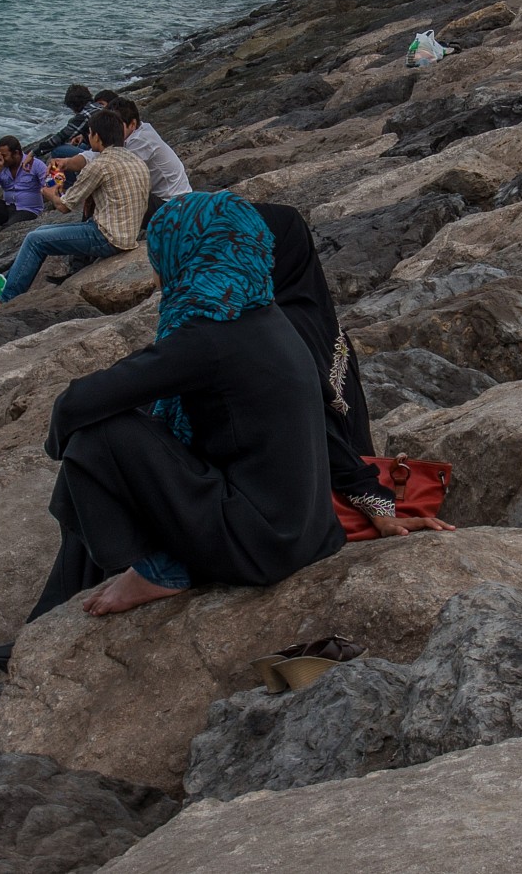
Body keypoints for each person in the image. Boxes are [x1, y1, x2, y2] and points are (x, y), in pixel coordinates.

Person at [20, 192, 347, 622]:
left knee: (98, 438)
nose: (155, 269)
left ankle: (162, 570)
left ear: (188, 252)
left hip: (260, 545)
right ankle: (55, 606)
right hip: (301, 533)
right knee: (122, 435)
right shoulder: (261, 315)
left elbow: (75, 405)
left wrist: (59, 446)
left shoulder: (209, 336)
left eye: (158, 254)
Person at [254, 202, 452, 537]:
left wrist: (371, 498)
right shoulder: (319, 315)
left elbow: (313, 421)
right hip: (341, 475)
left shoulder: (274, 329)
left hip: (300, 498)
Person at [0, 109, 151, 302]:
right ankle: (6, 281)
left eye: (90, 133)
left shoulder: (100, 164)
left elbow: (64, 206)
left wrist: (49, 192)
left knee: (34, 239)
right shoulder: (135, 160)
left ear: (96, 136)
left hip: (108, 237)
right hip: (128, 233)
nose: (88, 137)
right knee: (44, 229)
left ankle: (6, 299)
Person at [105, 96, 192, 202]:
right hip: (164, 197)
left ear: (132, 124)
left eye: (116, 125)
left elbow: (114, 171)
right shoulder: (135, 131)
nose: (111, 130)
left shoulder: (142, 140)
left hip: (172, 202)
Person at [0, 137, 52, 248]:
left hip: (28, 210)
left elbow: (49, 184)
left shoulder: (35, 165)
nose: (1, 158)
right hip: (8, 208)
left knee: (7, 230)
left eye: (4, 155)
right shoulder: (0, 167)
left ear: (16, 153)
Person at [30, 84, 106, 160]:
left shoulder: (84, 116)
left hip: (102, 154)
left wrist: (33, 153)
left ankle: (76, 171)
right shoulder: (99, 107)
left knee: (57, 150)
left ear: (73, 106)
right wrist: (83, 136)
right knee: (81, 145)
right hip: (109, 148)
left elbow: (60, 137)